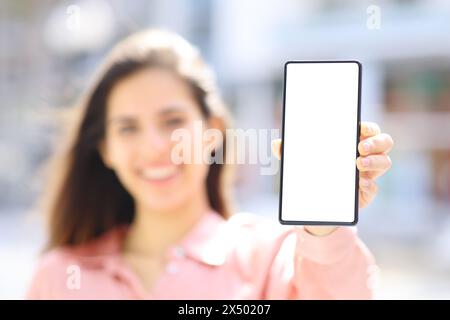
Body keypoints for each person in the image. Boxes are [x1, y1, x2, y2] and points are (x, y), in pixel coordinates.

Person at [26, 30, 393, 299]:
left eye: (172, 121)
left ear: (213, 132)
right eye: (128, 127)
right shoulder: (59, 276)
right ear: (106, 149)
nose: (154, 146)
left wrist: (324, 222)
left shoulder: (268, 259)